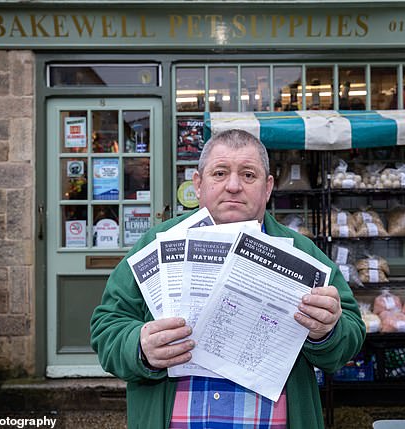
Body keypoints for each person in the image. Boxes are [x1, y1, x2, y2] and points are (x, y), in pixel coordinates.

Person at [90, 129, 366, 429]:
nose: (233, 186)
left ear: (268, 187)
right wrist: (140, 347)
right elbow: (107, 327)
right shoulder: (156, 243)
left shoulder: (302, 253)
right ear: (198, 184)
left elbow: (350, 335)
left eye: (248, 176)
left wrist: (326, 330)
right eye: (220, 173)